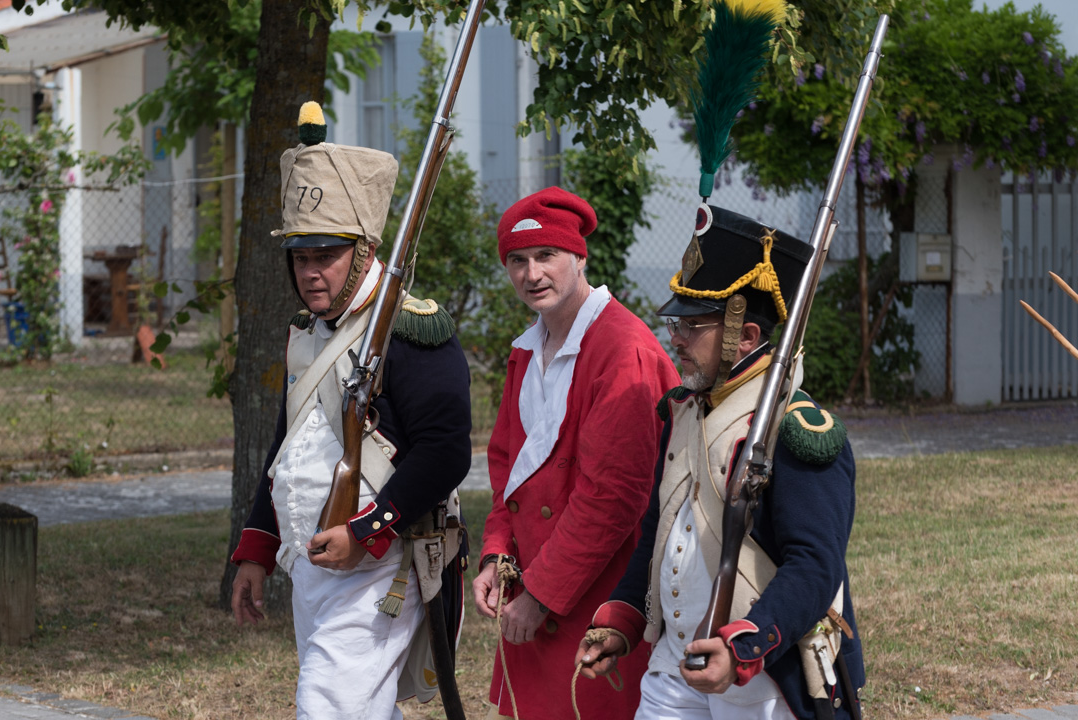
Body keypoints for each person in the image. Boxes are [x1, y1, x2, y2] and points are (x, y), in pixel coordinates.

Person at [575, 203, 865, 720]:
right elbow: (659, 531)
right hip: (674, 663)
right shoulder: (684, 410)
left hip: (765, 677)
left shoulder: (796, 428)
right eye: (675, 323)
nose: (675, 339)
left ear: (746, 338)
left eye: (692, 326)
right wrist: (621, 618)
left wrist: (743, 649)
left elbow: (816, 566)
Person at [229, 101, 472, 720]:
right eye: (301, 258)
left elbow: (445, 453)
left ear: (363, 252)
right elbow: (292, 447)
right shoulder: (307, 331)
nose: (311, 272)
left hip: (378, 562)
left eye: (325, 256)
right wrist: (258, 548)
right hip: (313, 559)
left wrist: (367, 530)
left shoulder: (413, 329)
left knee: (329, 707)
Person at [472, 186, 681, 720]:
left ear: (580, 257)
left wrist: (540, 594)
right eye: (517, 261)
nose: (532, 273)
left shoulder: (624, 351)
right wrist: (497, 552)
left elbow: (613, 500)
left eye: (547, 256)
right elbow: (506, 467)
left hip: (599, 591)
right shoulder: (527, 349)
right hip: (538, 580)